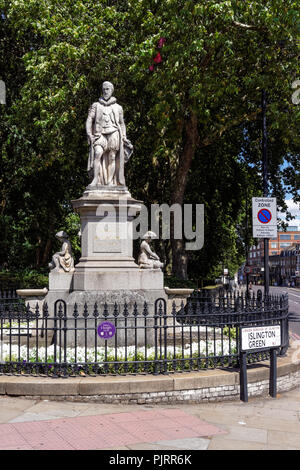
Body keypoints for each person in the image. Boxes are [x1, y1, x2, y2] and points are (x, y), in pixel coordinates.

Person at [86, 81, 133, 187]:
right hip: (100, 134)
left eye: (107, 89)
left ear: (112, 90)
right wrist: (89, 134)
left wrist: (124, 137)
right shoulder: (96, 105)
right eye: (103, 89)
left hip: (114, 133)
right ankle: (95, 179)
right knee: (97, 153)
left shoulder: (118, 107)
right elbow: (89, 119)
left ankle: (110, 182)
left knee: (112, 157)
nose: (105, 91)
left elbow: (122, 123)